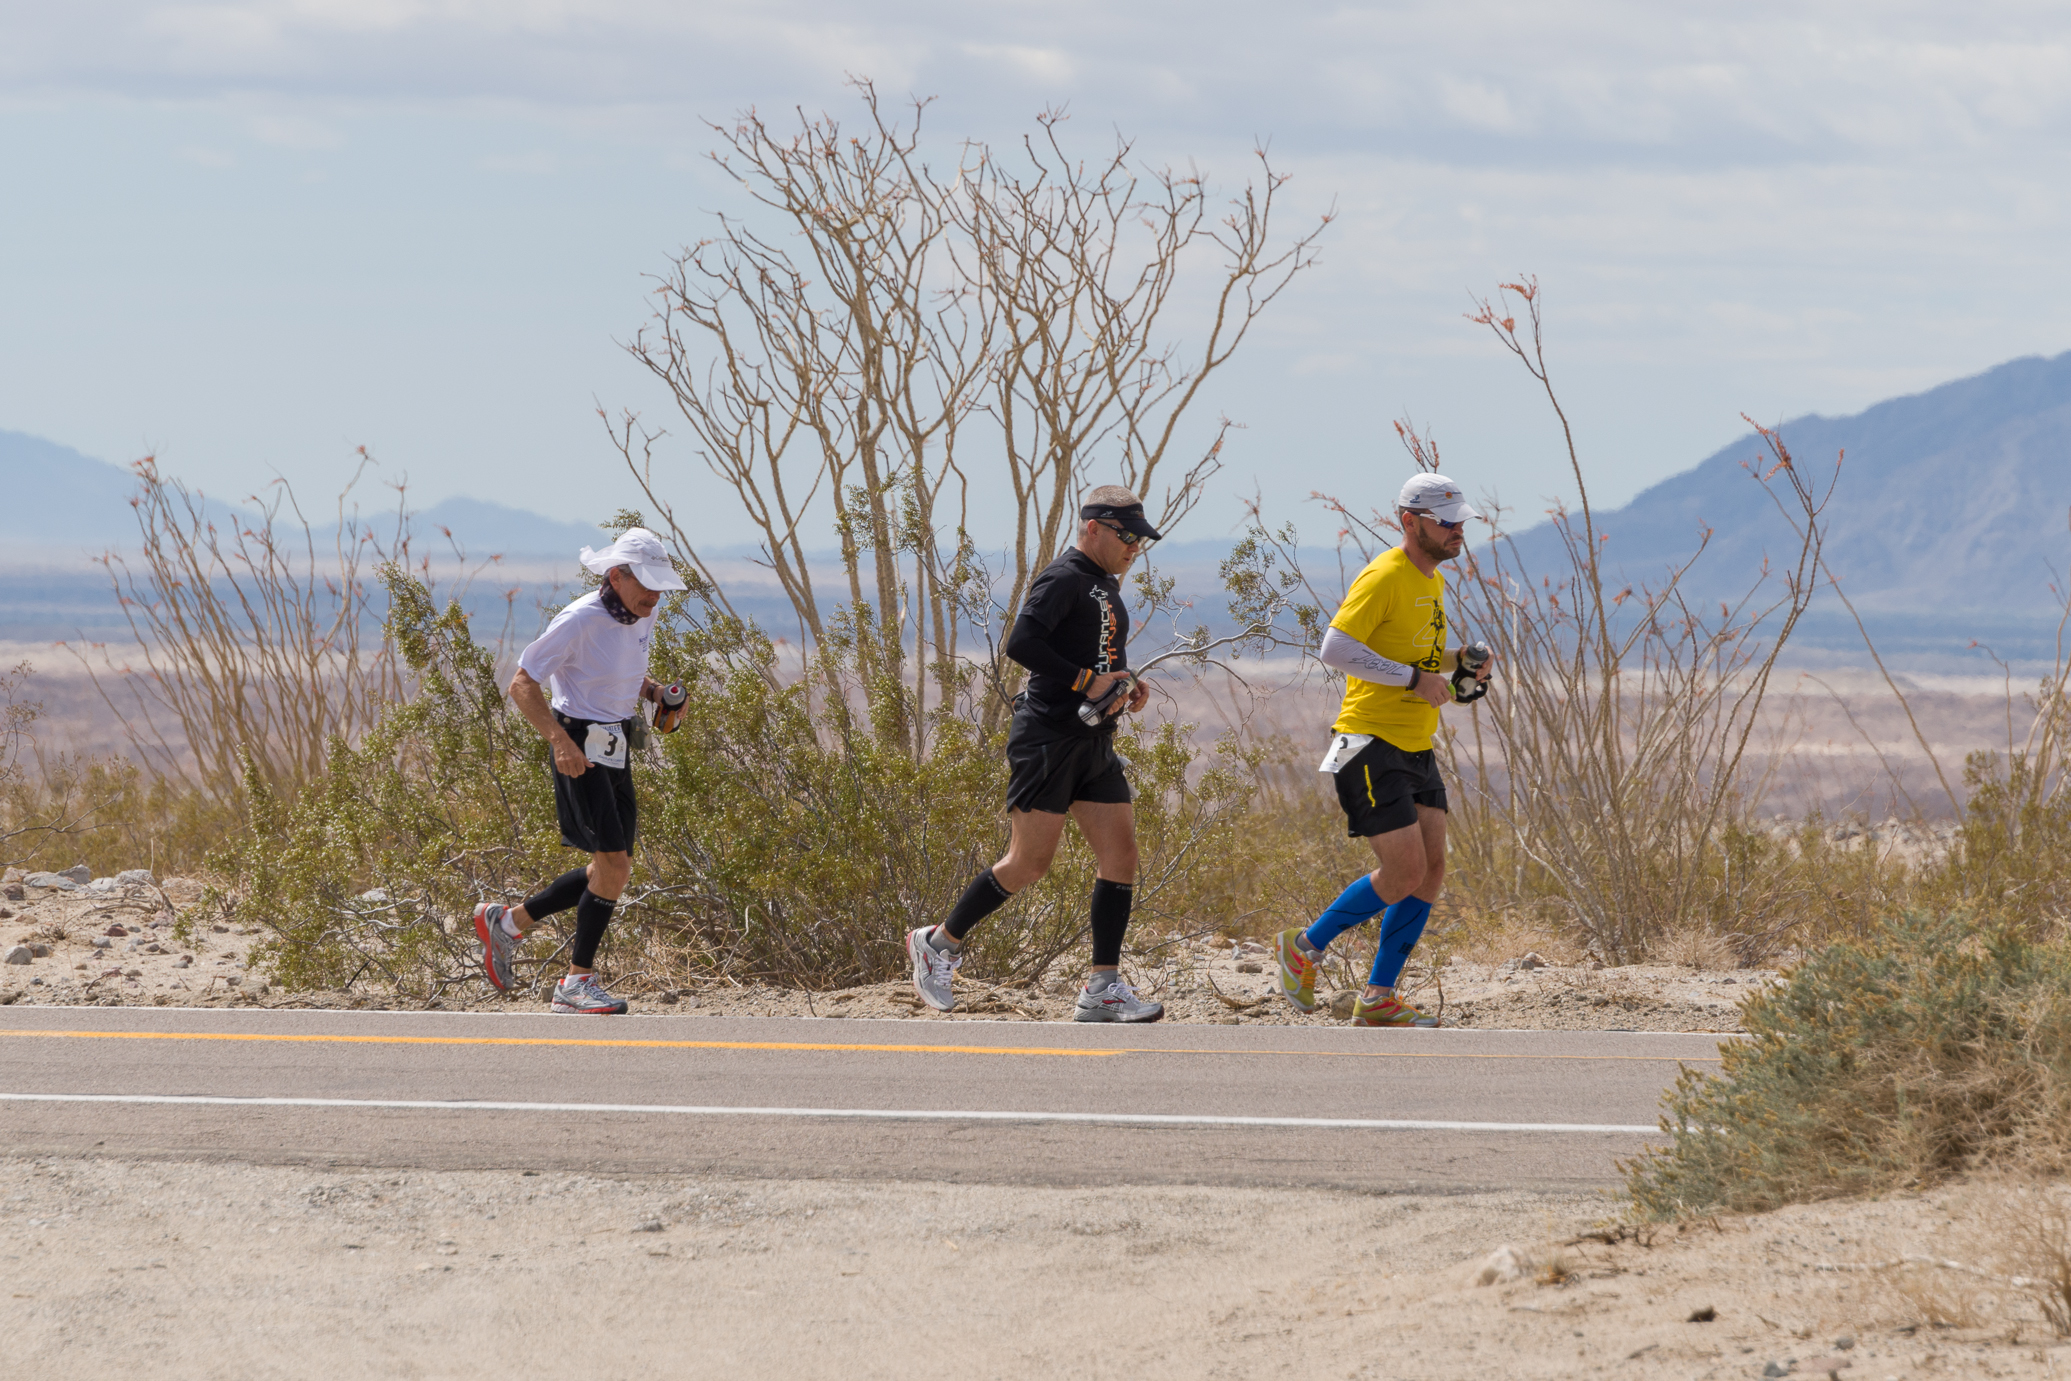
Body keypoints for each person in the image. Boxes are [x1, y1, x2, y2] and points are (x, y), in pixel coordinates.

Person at [906, 486, 1167, 1022]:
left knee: (1121, 855)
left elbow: (1097, 656)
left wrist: (1123, 685)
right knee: (1029, 863)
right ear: (1092, 528)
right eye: (1126, 536)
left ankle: (1102, 989)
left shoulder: (1104, 585)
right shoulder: (1064, 577)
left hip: (1094, 741)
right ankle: (938, 943)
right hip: (1047, 737)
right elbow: (1022, 643)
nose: (1134, 547)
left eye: (1141, 540)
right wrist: (1086, 680)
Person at [1273, 474, 1493, 1027]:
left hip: (1416, 745)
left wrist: (1460, 659)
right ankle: (1304, 947)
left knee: (1432, 871)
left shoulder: (1431, 582)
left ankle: (1378, 996)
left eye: (1460, 520)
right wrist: (1411, 680)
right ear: (1410, 523)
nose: (1458, 530)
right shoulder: (1385, 574)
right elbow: (1336, 647)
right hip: (1369, 742)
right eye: (1447, 522)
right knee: (1402, 874)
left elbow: (1424, 655)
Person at [473, 527, 686, 1015]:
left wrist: (655, 694)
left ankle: (507, 923)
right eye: (646, 586)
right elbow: (522, 684)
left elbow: (619, 671)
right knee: (615, 865)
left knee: (607, 870)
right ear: (616, 575)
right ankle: (575, 984)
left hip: (615, 744)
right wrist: (559, 742)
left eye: (660, 587)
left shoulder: (637, 614)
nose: (655, 597)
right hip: (579, 746)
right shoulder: (580, 618)